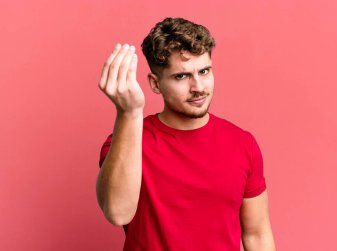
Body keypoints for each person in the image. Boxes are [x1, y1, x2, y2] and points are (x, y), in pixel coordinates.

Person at [96, 17, 276, 251]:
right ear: (155, 84)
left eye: (204, 71)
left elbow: (257, 236)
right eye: (181, 76)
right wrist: (129, 113)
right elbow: (117, 213)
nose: (198, 87)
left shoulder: (243, 143)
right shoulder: (127, 140)